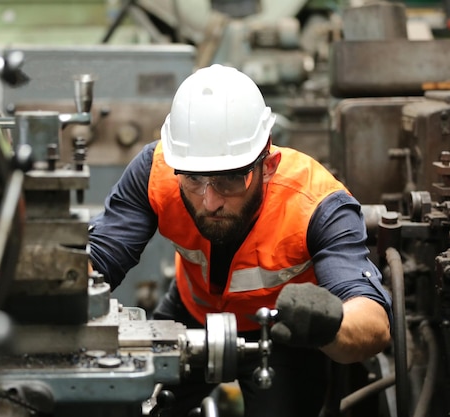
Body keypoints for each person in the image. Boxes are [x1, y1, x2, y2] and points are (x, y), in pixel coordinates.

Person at [88, 64, 392, 416]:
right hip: (190, 313)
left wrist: (327, 324)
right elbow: (100, 260)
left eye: (230, 181)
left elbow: (373, 322)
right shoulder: (156, 173)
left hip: (284, 334)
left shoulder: (318, 205)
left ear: (269, 165)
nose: (210, 200)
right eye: (193, 180)